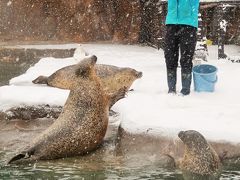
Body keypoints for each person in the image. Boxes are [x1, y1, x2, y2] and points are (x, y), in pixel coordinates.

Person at [164, 0, 200, 95]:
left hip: (188, 24)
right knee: (170, 58)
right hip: (171, 23)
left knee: (186, 59)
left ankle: (185, 90)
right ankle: (171, 89)